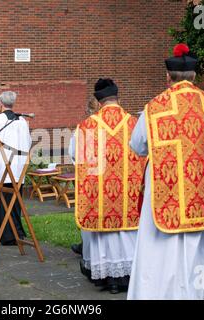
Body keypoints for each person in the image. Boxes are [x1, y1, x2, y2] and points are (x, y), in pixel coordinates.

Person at [127, 44, 204, 300]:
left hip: (164, 190)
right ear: (194, 76)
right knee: (196, 252)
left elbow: (137, 145)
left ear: (168, 76)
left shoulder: (155, 108)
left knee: (158, 252)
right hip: (201, 195)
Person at [73, 78, 146, 294]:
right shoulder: (134, 123)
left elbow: (80, 160)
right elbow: (144, 152)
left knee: (104, 236)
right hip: (128, 193)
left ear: (98, 101)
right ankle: (125, 278)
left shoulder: (87, 126)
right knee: (126, 235)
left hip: (101, 194)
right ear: (118, 98)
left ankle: (106, 278)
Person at [0, 91, 32, 246]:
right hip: (18, 168)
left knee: (0, 201)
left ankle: (4, 234)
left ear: (0, 103)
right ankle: (16, 232)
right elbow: (28, 143)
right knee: (14, 201)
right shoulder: (22, 121)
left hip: (1, 167)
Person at [69, 98, 100, 256]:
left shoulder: (83, 129)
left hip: (88, 177)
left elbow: (72, 153)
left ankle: (87, 248)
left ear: (89, 111)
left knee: (89, 212)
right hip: (112, 178)